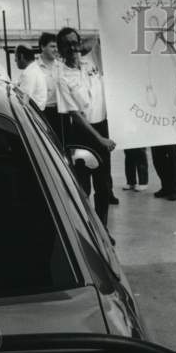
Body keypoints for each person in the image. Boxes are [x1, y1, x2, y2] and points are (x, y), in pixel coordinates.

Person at [56, 27, 117, 225]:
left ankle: (103, 228)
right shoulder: (62, 77)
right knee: (84, 187)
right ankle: (88, 228)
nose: (72, 48)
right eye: (67, 44)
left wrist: (81, 47)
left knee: (104, 185)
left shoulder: (92, 62)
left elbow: (101, 37)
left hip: (102, 128)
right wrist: (99, 139)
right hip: (83, 134)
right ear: (60, 48)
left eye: (75, 42)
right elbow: (75, 114)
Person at [80, 35, 119, 207]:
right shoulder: (84, 65)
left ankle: (107, 192)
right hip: (87, 124)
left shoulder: (108, 63)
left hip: (103, 121)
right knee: (86, 168)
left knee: (104, 166)